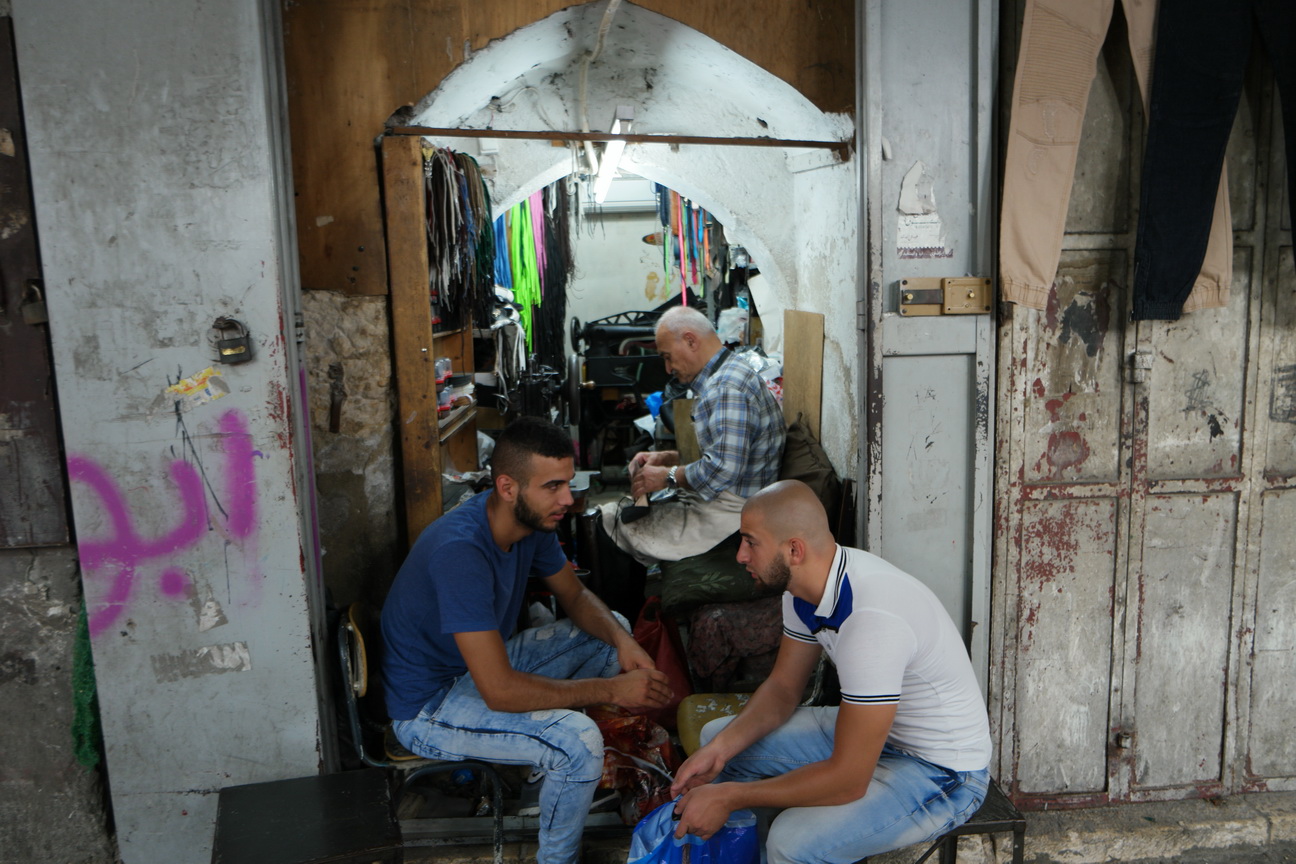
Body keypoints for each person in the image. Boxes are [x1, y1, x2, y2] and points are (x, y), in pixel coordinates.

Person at [380, 416, 673, 864]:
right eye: (552, 487)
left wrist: (623, 640)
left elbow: (574, 595)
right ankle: (557, 856)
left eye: (567, 483)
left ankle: (543, 770)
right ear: (507, 487)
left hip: (476, 672)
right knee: (578, 742)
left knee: (609, 630)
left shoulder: (529, 526)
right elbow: (499, 690)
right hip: (429, 708)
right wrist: (614, 690)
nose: (567, 499)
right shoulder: (461, 552)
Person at [670, 480, 991, 864]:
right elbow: (782, 690)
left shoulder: (871, 617)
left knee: (790, 841)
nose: (740, 555)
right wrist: (717, 752)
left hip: (943, 772)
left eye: (750, 542)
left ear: (794, 550)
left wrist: (731, 796)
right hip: (883, 736)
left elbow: (848, 781)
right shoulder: (804, 588)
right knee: (717, 740)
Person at [600, 305, 785, 565]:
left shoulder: (726, 388)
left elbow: (722, 469)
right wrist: (669, 458)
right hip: (724, 501)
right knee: (620, 515)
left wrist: (668, 476)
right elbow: (728, 452)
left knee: (609, 524)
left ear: (690, 340)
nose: (668, 368)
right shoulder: (727, 373)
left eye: (667, 357)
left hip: (733, 516)